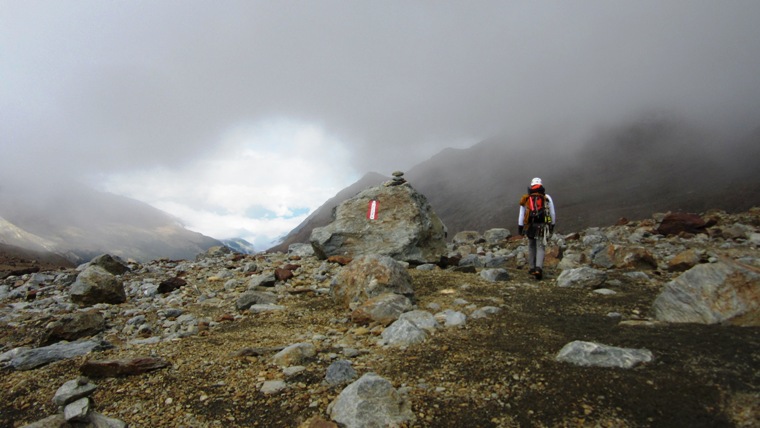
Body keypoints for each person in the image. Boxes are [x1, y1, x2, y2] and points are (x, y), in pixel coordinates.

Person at [518, 177, 556, 280]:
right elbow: (552, 212)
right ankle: (538, 269)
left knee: (531, 246)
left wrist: (520, 227)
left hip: (530, 225)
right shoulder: (546, 197)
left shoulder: (526, 198)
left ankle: (531, 268)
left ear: (531, 185)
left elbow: (522, 214)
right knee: (540, 246)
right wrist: (552, 225)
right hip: (542, 225)